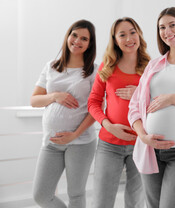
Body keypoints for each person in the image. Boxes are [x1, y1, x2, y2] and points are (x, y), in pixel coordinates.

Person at [128, 7, 175, 208]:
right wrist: (142, 135)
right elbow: (134, 107)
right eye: (162, 27)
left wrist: (174, 99)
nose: (167, 31)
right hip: (150, 150)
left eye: (172, 25)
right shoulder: (154, 65)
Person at [31, 19, 97, 208]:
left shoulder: (93, 71)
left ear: (89, 44)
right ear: (68, 36)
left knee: (75, 194)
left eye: (84, 38)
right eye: (74, 35)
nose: (77, 41)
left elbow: (96, 108)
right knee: (41, 195)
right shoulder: (51, 66)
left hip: (81, 142)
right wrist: (54, 96)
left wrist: (75, 134)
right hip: (51, 142)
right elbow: (34, 100)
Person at [88, 17, 150, 208]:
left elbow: (159, 104)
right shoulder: (106, 68)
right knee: (101, 201)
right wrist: (108, 126)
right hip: (109, 144)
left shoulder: (151, 68)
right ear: (115, 40)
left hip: (141, 144)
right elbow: (93, 103)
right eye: (122, 34)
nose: (129, 38)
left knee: (135, 203)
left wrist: (139, 95)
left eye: (132, 32)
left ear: (139, 34)